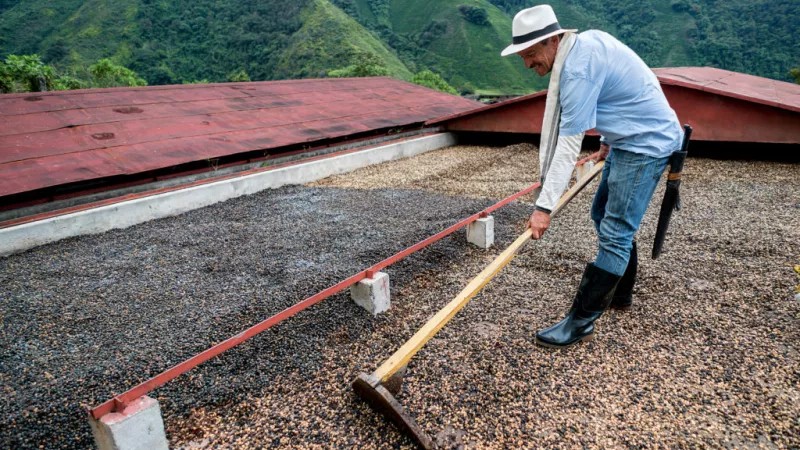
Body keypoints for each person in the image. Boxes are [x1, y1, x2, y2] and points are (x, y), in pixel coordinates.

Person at [500, 5, 684, 348]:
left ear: (554, 40)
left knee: (616, 232)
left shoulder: (577, 71)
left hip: (646, 144)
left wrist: (544, 208)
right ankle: (619, 292)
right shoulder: (584, 45)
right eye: (523, 57)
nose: (527, 64)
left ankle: (580, 322)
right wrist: (605, 143)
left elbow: (566, 147)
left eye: (530, 54)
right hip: (626, 140)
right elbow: (617, 95)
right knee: (601, 214)